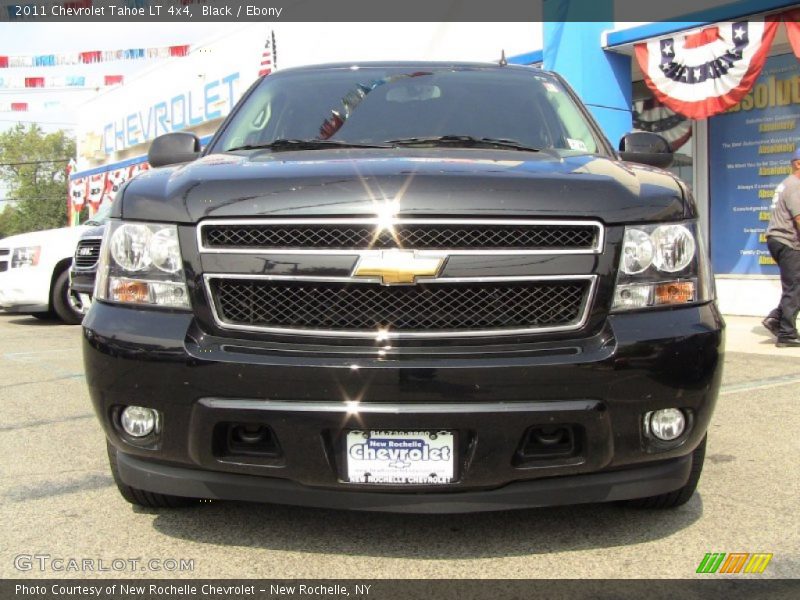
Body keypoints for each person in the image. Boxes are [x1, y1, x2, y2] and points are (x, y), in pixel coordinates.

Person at [762, 148, 800, 347]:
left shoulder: (787, 184)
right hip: (787, 241)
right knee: (794, 286)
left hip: (779, 240)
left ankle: (776, 318)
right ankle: (787, 334)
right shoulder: (795, 186)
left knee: (796, 285)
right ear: (798, 164)